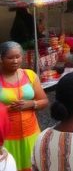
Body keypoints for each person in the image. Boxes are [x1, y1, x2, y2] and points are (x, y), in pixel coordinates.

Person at [0, 42, 45, 171]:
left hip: (31, 132)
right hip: (6, 137)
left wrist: (32, 104)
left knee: (32, 165)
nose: (15, 61)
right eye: (10, 57)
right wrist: (6, 109)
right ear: (1, 58)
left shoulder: (29, 75)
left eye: (18, 57)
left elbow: (44, 101)